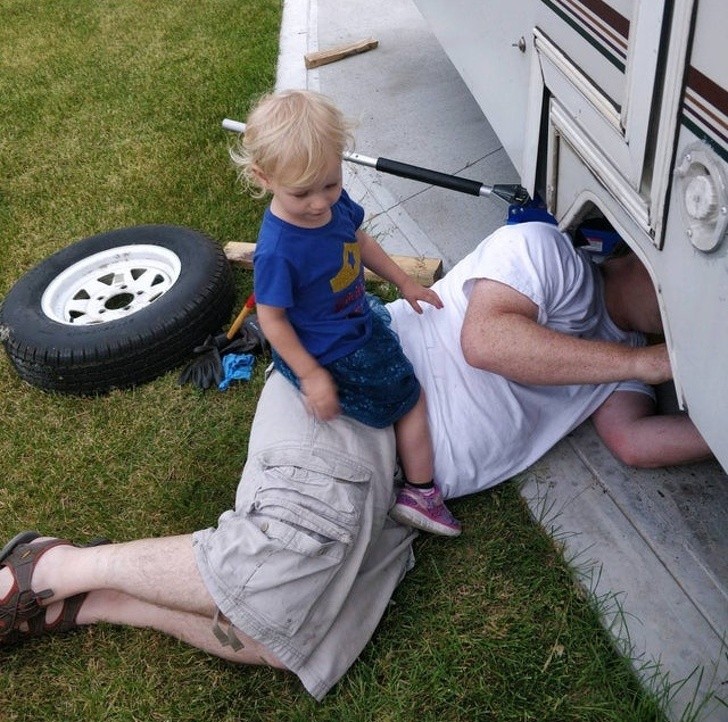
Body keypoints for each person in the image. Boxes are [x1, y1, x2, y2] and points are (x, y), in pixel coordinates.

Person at [0, 220, 712, 701]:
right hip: (359, 399)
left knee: (297, 644)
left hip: (402, 493)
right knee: (278, 568)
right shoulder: (546, 251)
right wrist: (650, 361)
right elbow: (487, 342)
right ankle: (53, 568)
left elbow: (635, 442)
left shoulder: (618, 371)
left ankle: (94, 604)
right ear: (650, 255)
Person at [231, 89, 460, 537]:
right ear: (263, 177)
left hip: (349, 317)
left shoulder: (332, 204)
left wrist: (405, 282)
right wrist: (313, 375)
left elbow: (360, 240)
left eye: (331, 184)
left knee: (380, 319)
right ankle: (420, 492)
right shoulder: (278, 251)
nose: (320, 203)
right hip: (334, 350)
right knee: (409, 399)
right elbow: (273, 320)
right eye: (303, 193)